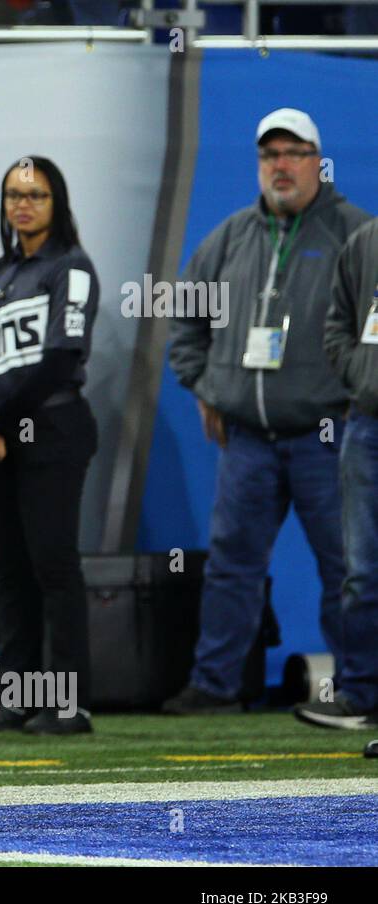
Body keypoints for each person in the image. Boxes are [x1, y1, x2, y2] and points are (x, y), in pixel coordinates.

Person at [165, 108, 370, 715]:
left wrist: (359, 396)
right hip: (247, 438)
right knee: (231, 566)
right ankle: (217, 686)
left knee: (347, 569)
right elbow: (184, 319)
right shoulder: (228, 238)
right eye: (270, 155)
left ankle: (360, 689)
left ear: (318, 161)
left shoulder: (353, 236)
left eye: (294, 153)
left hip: (327, 434)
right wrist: (205, 386)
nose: (281, 166)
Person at [0, 156, 99, 735]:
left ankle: (69, 704)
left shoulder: (73, 267)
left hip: (55, 431)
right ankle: (15, 697)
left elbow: (62, 358)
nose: (23, 205)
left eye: (35, 195)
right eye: (14, 194)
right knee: (9, 572)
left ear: (57, 202)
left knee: (53, 567)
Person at [297, 217, 378, 729]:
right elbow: (336, 326)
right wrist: (364, 379)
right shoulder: (365, 243)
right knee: (363, 572)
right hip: (368, 427)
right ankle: (362, 693)